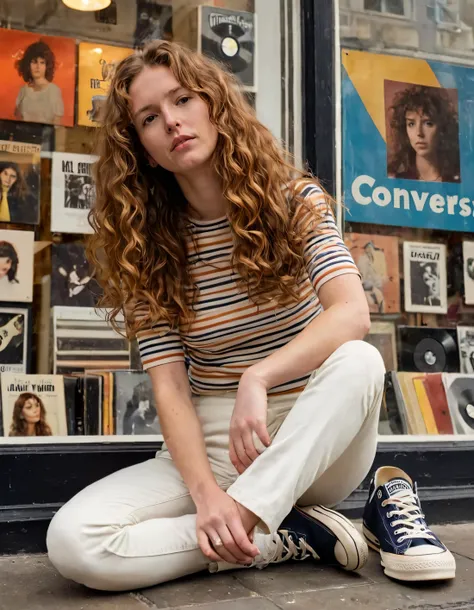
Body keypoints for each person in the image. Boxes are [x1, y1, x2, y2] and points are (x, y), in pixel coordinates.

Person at [46, 41, 455, 590]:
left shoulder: (295, 200)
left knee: (358, 359)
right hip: (214, 445)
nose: (171, 121)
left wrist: (258, 378)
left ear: (213, 104)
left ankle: (244, 522)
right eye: (149, 117)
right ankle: (281, 535)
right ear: (142, 148)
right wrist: (206, 495)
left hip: (318, 433)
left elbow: (352, 313)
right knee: (75, 544)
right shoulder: (146, 250)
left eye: (182, 99)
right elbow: (169, 388)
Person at [388, 84, 460, 183]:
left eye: (428, 123)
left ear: (442, 129)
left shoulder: (457, 181)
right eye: (411, 124)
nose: (419, 133)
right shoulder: (396, 181)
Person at [15, 40, 64, 125]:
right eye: (34, 62)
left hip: (45, 136)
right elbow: (17, 119)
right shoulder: (23, 90)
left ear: (47, 66)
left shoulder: (54, 91)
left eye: (42, 62)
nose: (38, 66)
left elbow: (57, 125)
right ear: (27, 64)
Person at [355, 241, 388, 313]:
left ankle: (381, 314)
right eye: (368, 248)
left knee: (381, 299)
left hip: (376, 285)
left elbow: (380, 274)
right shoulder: (362, 260)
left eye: (371, 248)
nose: (370, 250)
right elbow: (361, 274)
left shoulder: (377, 260)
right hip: (365, 285)